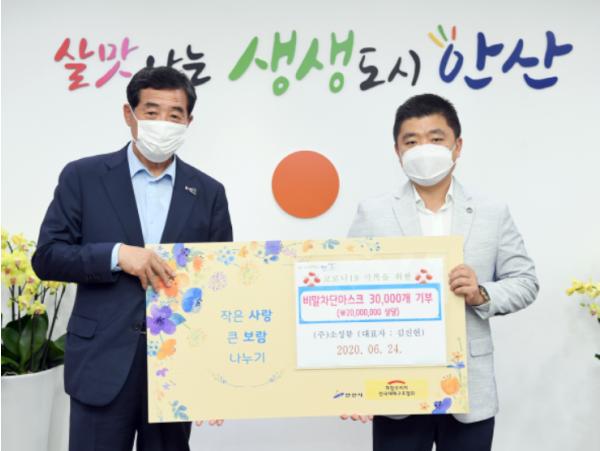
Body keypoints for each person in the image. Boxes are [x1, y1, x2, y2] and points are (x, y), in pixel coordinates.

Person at [32, 66, 232, 451]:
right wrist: (116, 255)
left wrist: (215, 376)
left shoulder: (209, 192)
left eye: (174, 115)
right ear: (129, 114)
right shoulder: (83, 177)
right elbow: (48, 257)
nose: (163, 123)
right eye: (151, 112)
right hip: (101, 363)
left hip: (176, 370)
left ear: (189, 122)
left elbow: (218, 285)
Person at [342, 93, 539, 451]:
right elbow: (346, 297)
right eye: (411, 141)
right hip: (396, 388)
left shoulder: (492, 212)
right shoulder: (373, 213)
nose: (424, 149)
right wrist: (353, 384)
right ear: (397, 151)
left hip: (469, 390)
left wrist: (481, 293)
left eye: (435, 139)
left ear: (457, 146)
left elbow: (525, 282)